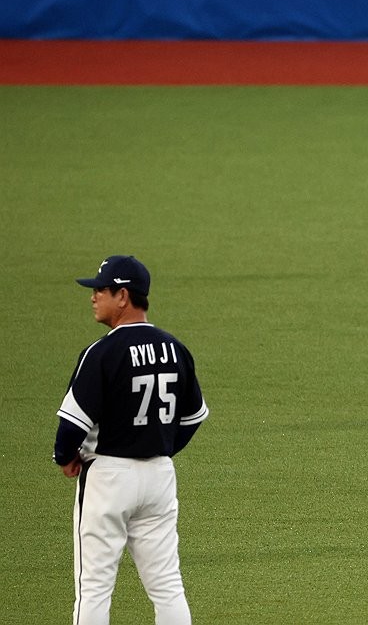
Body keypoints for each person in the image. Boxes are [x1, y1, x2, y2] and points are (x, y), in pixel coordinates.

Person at [53, 255, 210, 624]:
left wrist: (66, 457)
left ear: (122, 296)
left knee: (93, 587)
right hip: (159, 477)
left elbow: (70, 429)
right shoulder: (175, 348)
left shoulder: (102, 352)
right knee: (168, 585)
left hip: (108, 478)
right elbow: (193, 417)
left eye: (100, 290)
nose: (93, 296)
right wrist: (161, 445)